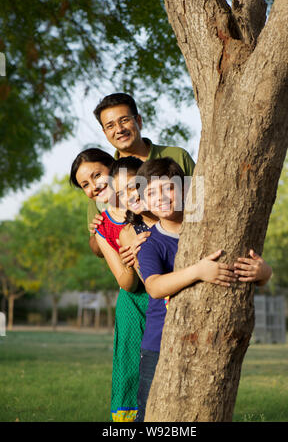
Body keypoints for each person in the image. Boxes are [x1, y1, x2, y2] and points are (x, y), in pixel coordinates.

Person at [134, 157, 273, 422]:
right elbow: (154, 287)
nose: (161, 197)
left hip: (206, 338)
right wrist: (197, 271)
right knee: (150, 411)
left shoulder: (214, 232)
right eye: (151, 192)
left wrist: (264, 273)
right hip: (158, 342)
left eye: (168, 188)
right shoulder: (151, 243)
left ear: (186, 189)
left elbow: (247, 269)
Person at [70, 149, 147, 422]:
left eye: (97, 176)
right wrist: (127, 250)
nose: (93, 187)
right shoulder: (103, 225)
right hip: (134, 302)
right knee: (129, 366)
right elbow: (126, 281)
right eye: (85, 185)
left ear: (114, 169)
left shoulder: (148, 202)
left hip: (165, 296)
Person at [88, 92, 195, 258]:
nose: (119, 129)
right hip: (145, 274)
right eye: (110, 126)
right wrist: (119, 240)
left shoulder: (177, 156)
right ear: (105, 132)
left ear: (138, 121)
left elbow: (201, 206)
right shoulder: (105, 178)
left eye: (124, 120)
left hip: (191, 254)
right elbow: (96, 245)